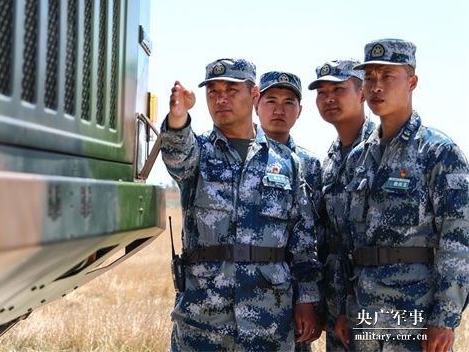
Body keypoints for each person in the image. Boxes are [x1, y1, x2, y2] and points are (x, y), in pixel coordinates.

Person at [160, 58, 322, 351]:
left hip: (269, 318)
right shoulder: (199, 154)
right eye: (212, 92)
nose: (221, 98)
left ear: (254, 95)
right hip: (203, 319)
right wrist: (178, 115)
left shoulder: (286, 162)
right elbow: (175, 154)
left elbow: (303, 240)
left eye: (231, 90)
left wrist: (307, 299)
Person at [335, 39, 469, 352]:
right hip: (365, 314)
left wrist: (445, 317)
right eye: (369, 78)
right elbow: (347, 242)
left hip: (416, 315)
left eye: (387, 76)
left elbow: (458, 241)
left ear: (412, 82)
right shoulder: (357, 159)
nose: (376, 86)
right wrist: (342, 308)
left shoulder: (439, 153)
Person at [307, 59, 376, 351]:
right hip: (338, 311)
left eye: (338, 88)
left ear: (363, 94)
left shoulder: (383, 151)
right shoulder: (330, 161)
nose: (329, 98)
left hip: (377, 308)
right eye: (321, 92)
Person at [254, 71, 324, 352]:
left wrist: (309, 298)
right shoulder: (241, 158)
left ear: (300, 111)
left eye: (288, 102)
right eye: (271, 100)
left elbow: (315, 233)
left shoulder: (309, 164)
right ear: (256, 104)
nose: (279, 110)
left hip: (293, 295)